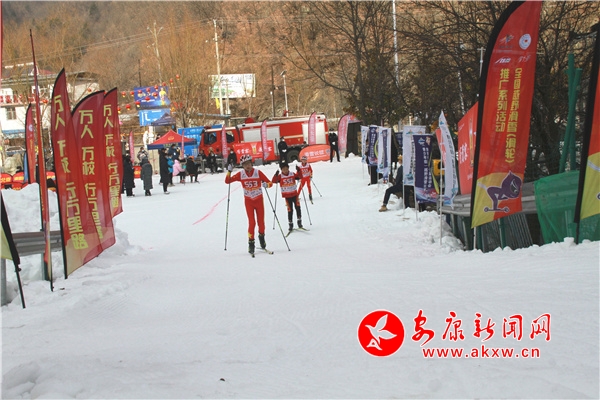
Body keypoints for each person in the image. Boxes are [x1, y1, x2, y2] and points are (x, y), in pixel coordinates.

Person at [225, 154, 273, 254]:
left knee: (261, 223)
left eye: (248, 163)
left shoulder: (258, 172)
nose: (247, 166)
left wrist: (266, 185)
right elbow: (227, 181)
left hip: (258, 200)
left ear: (251, 163)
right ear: (242, 165)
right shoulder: (241, 174)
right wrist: (229, 171)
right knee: (252, 222)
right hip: (249, 201)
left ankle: (262, 239)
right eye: (244, 164)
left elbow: (270, 183)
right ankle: (251, 243)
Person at [272, 161, 303, 233]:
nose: (285, 171)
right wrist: (275, 175)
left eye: (286, 169)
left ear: (288, 168)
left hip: (295, 195)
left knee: (298, 208)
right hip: (287, 196)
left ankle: (299, 222)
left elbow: (299, 177)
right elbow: (274, 181)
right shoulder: (280, 176)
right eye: (283, 169)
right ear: (281, 170)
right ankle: (290, 224)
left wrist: (299, 170)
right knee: (290, 210)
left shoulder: (292, 174)